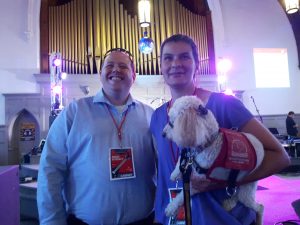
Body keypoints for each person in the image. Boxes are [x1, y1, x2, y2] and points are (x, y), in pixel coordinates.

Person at [150, 34, 291, 225]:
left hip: (224, 218)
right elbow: (165, 173)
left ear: (197, 65)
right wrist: (160, 216)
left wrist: (223, 180)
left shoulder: (225, 105)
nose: (176, 63)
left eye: (184, 56)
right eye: (168, 58)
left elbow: (280, 157)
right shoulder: (157, 116)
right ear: (161, 66)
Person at [37, 48, 156, 225]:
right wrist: (51, 221)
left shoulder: (150, 115)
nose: (116, 69)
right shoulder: (75, 112)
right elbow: (50, 170)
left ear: (134, 76)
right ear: (100, 73)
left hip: (143, 221)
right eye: (110, 65)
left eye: (123, 66)